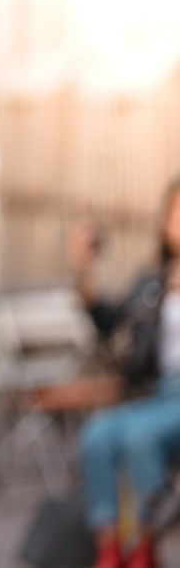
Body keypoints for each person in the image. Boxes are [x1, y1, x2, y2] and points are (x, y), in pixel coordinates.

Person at [71, 178, 180, 568]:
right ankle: (110, 550)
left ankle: (144, 549)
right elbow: (105, 320)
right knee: (97, 435)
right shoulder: (152, 282)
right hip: (155, 395)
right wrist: (86, 265)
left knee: (139, 437)